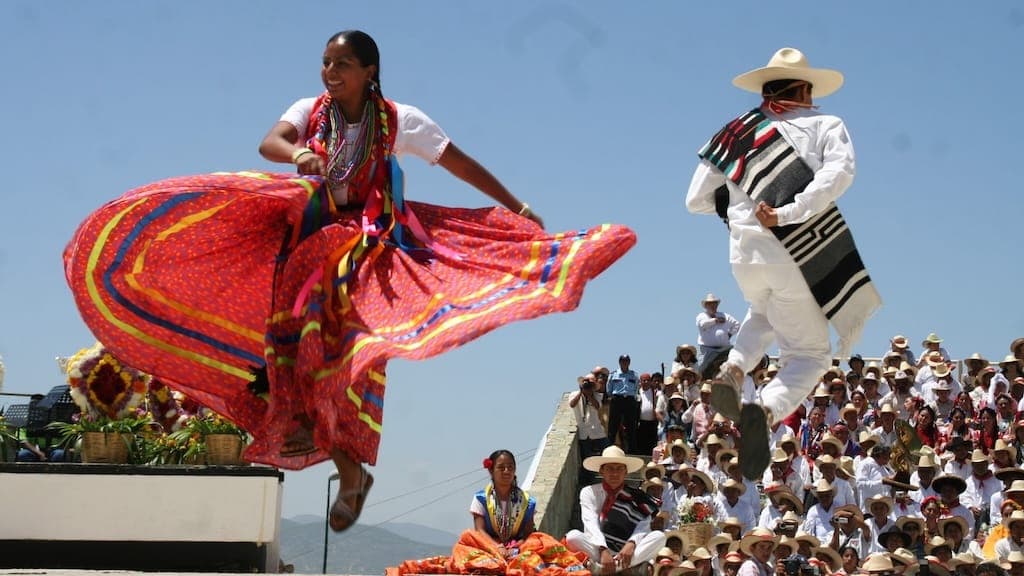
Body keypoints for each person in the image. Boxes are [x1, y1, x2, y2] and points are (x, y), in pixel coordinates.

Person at [64, 30, 636, 534]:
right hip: (306, 238)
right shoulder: (309, 110)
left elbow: (459, 163)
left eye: (341, 66)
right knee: (294, 351)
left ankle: (340, 457)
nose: (329, 74)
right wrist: (299, 155)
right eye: (325, 64)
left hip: (367, 246)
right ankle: (341, 464)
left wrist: (517, 205)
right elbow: (270, 143)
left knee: (341, 355)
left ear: (369, 72)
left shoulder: (399, 120)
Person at [685, 47, 880, 481]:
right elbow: (839, 176)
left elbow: (695, 201)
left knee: (764, 312)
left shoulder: (734, 134)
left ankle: (735, 369)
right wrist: (789, 210)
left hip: (744, 255)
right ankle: (767, 412)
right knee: (810, 354)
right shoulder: (825, 124)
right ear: (804, 88)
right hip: (793, 250)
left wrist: (738, 212)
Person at [566, 446, 667, 573]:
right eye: (610, 468)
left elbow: (643, 526)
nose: (615, 473)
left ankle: (606, 569)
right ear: (601, 471)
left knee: (659, 537)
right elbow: (590, 523)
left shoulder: (638, 497)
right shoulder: (589, 492)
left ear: (626, 472)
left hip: (626, 550)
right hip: (597, 548)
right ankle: (620, 567)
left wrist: (631, 544)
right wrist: (603, 550)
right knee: (572, 537)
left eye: (619, 468)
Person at [469, 450, 536, 554]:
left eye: (510, 467)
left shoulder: (527, 501)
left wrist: (518, 545)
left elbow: (528, 533)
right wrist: (498, 547)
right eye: (501, 468)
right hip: (490, 545)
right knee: (468, 536)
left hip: (517, 547)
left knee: (540, 540)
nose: (506, 471)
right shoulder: (481, 499)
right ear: (491, 470)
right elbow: (479, 530)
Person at [695, 293, 740, 378]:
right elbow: (702, 324)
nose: (713, 306)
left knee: (731, 366)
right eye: (710, 304)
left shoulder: (725, 316)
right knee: (702, 369)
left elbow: (737, 325)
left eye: (714, 304)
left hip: (724, 349)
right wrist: (715, 320)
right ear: (706, 306)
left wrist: (730, 334)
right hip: (708, 350)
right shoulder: (702, 316)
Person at [606, 355, 640, 453]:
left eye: (626, 361)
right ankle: (609, 450)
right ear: (619, 362)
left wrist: (631, 396)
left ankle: (632, 451)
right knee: (613, 426)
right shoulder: (613, 374)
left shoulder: (634, 375)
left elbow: (636, 388)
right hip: (617, 400)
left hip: (629, 400)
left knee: (631, 427)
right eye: (622, 361)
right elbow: (609, 389)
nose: (624, 363)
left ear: (629, 362)